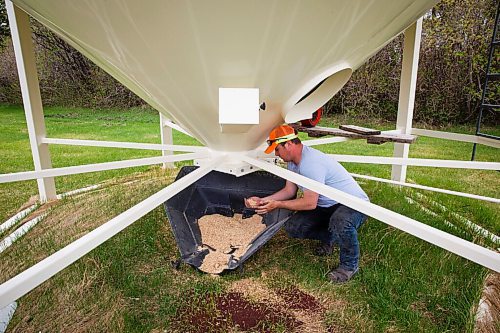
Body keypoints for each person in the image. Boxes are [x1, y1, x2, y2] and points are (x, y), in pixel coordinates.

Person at [245, 124, 369, 283]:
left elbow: (310, 203)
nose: (276, 154)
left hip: (354, 204)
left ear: (288, 144)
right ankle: (331, 237)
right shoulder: (292, 162)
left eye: (277, 149)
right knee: (293, 227)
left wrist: (278, 204)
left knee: (341, 222)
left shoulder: (310, 164)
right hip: (328, 205)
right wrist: (265, 200)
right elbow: (289, 190)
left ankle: (349, 266)